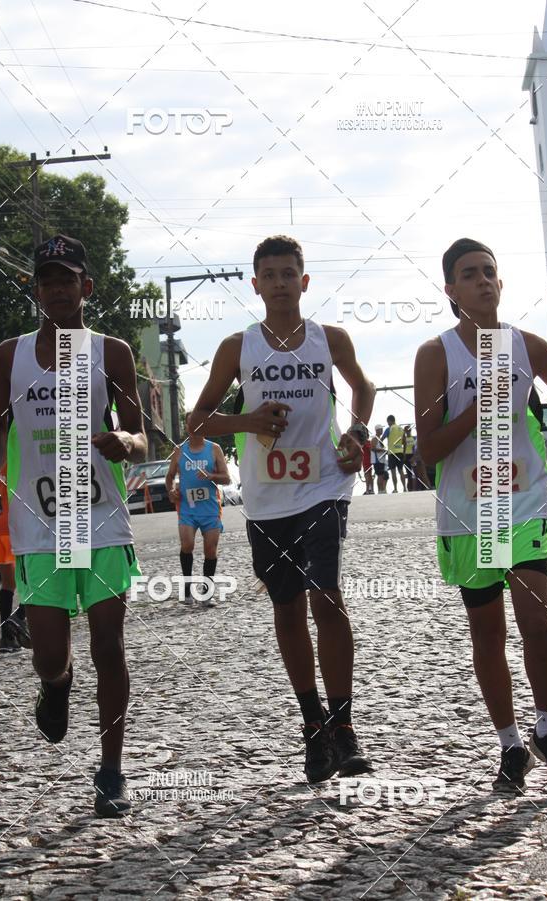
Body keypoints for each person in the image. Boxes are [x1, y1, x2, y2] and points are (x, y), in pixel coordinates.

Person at [189, 234, 376, 784]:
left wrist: (357, 433)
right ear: (255, 285)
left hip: (323, 488)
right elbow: (195, 422)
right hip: (267, 501)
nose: (278, 283)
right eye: (268, 275)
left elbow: (363, 388)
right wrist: (247, 421)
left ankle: (344, 728)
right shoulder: (237, 347)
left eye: (287, 273)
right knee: (288, 607)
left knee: (327, 596)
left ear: (304, 281)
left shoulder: (330, 339)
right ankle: (312, 725)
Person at [414, 237, 547, 794]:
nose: (484, 280)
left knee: (536, 620)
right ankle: (511, 743)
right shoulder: (436, 354)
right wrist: (477, 409)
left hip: (523, 503)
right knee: (487, 633)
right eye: (470, 274)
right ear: (451, 290)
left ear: (500, 282)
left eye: (490, 271)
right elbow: (428, 450)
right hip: (467, 515)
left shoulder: (528, 347)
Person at [0, 234, 146, 817]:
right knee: (49, 653)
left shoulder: (113, 352)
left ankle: (111, 770)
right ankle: (56, 686)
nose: (57, 289)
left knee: (109, 643)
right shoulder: (11, 353)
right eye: (47, 281)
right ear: (36, 290)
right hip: (39, 524)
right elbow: (1, 425)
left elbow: (140, 433)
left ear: (86, 287)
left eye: (67, 279)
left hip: (100, 519)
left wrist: (123, 441)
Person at [165, 412, 231, 606]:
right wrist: (170, 491)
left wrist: (211, 475)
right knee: (187, 545)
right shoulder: (179, 450)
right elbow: (169, 476)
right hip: (187, 508)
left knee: (210, 550)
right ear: (187, 427)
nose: (196, 428)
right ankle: (187, 590)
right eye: (192, 424)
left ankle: (206, 593)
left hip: (210, 508)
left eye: (200, 424)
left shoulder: (214, 449)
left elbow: (226, 478)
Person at [0, 456, 29, 652]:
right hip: (19, 524)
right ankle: (18, 617)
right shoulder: (15, 451)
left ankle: (6, 638)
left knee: (8, 583)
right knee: (34, 578)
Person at [383, 415, 406, 492]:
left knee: (393, 472)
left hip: (392, 452)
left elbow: (381, 440)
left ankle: (395, 488)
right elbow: (404, 442)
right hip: (400, 452)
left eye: (388, 422)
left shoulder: (389, 429)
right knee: (401, 470)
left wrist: (384, 448)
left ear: (390, 421)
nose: (388, 424)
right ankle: (405, 488)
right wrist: (404, 452)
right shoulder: (401, 429)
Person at [371, 425, 389, 494]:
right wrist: (383, 450)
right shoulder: (375, 438)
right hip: (377, 460)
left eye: (382, 429)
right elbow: (372, 448)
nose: (382, 430)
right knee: (380, 475)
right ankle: (380, 490)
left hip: (382, 460)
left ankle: (382, 489)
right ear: (377, 430)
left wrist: (385, 451)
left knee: (384, 475)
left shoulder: (379, 439)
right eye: (380, 429)